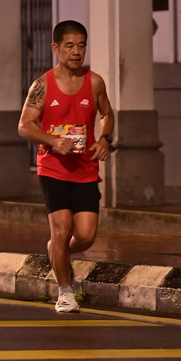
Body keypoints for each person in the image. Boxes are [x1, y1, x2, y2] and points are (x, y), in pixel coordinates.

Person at [18, 20, 114, 313]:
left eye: (81, 45)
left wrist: (105, 138)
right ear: (55, 48)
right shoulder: (42, 85)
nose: (76, 52)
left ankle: (56, 251)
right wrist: (53, 141)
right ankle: (64, 292)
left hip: (85, 169)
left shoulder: (94, 82)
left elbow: (107, 113)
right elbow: (24, 126)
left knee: (85, 236)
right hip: (53, 168)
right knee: (61, 230)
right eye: (69, 45)